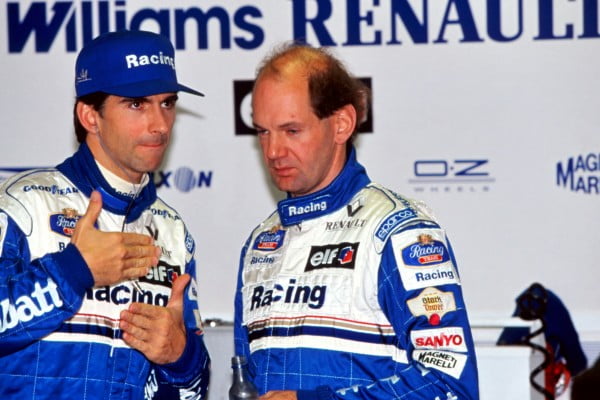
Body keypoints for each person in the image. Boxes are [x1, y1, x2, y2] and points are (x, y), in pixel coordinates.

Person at [233, 43, 479, 400]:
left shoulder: (400, 233)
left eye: (291, 131)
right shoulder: (261, 244)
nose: (273, 152)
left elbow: (449, 386)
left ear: (342, 124)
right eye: (263, 132)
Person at [0, 30, 210, 399]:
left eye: (167, 103)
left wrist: (181, 358)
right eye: (136, 105)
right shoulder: (23, 205)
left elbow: (192, 388)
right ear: (89, 116)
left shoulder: (172, 230)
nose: (160, 124)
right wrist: (74, 270)